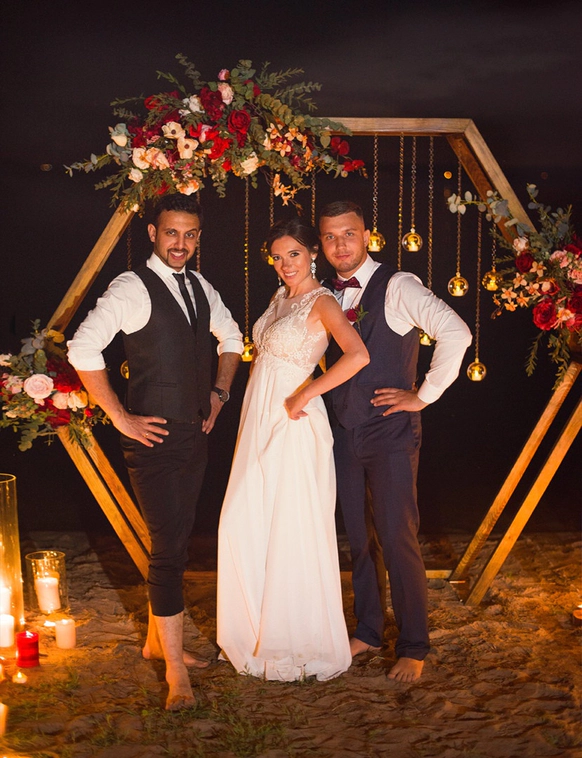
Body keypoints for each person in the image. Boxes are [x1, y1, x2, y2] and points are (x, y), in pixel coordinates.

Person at [67, 193, 243, 709]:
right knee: (168, 552)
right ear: (152, 233)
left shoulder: (200, 285)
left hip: (194, 437)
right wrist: (120, 416)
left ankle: (154, 643)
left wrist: (219, 393)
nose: (180, 244)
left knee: (177, 541)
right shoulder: (131, 286)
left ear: (198, 237)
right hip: (153, 443)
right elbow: (82, 348)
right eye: (171, 233)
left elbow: (232, 338)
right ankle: (175, 671)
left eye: (190, 234)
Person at [319, 200, 472, 683]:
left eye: (349, 233)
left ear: (366, 235)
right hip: (343, 431)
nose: (340, 244)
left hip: (389, 432)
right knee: (358, 539)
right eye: (330, 237)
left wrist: (422, 395)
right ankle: (368, 630)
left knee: (396, 537)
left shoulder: (398, 285)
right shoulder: (324, 292)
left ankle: (413, 645)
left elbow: (456, 333)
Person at [216, 217, 369, 682]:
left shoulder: (323, 302)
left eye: (295, 254)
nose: (286, 264)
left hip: (294, 421)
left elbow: (357, 355)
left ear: (313, 254)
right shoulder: (278, 298)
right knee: (246, 520)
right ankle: (253, 631)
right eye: (278, 257)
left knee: (290, 526)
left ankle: (295, 639)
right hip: (259, 418)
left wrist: (307, 392)